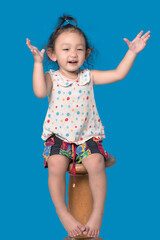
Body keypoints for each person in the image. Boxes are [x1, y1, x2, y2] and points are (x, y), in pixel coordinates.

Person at [26, 14, 150, 238]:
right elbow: (39, 92)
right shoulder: (51, 77)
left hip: (87, 136)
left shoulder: (88, 76)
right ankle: (63, 212)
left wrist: (132, 52)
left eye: (79, 49)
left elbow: (118, 74)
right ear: (53, 54)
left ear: (87, 53)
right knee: (55, 165)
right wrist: (37, 63)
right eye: (65, 49)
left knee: (96, 163)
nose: (73, 54)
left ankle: (97, 214)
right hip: (59, 136)